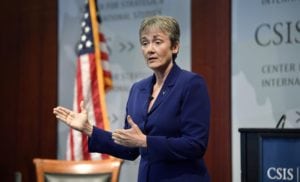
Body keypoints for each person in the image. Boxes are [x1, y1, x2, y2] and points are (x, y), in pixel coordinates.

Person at [54, 15, 211, 182]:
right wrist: (89, 129)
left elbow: (195, 145)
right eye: (145, 43)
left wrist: (146, 141)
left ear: (175, 47)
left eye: (157, 42)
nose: (150, 49)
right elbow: (129, 149)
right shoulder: (138, 89)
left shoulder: (190, 84)